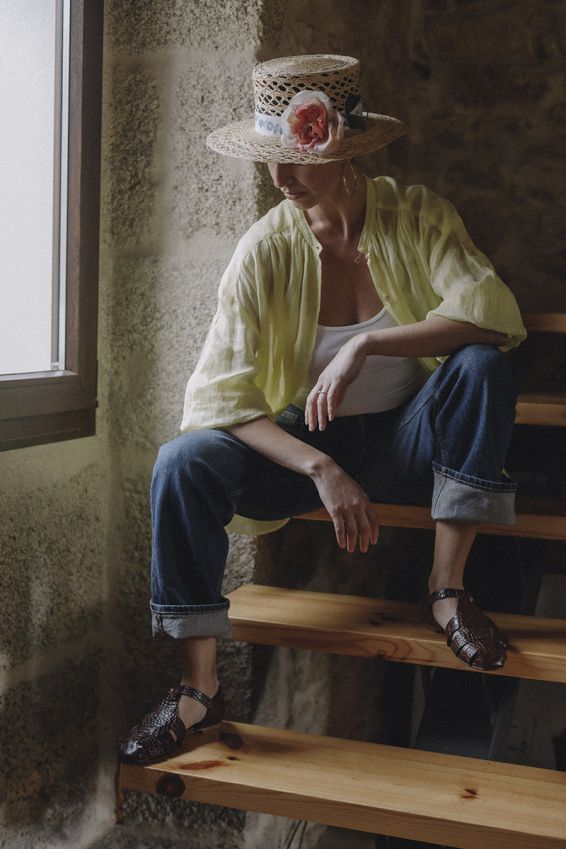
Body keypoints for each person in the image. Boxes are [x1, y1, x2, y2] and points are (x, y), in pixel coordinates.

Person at [118, 55, 527, 766]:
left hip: (409, 440)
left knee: (482, 367)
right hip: (304, 448)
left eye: (297, 159)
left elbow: (490, 315)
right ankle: (198, 688)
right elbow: (221, 398)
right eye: (270, 159)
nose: (279, 178)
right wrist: (320, 466)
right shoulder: (264, 249)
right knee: (181, 462)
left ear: (344, 149)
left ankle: (446, 590)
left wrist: (366, 346)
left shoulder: (417, 215)